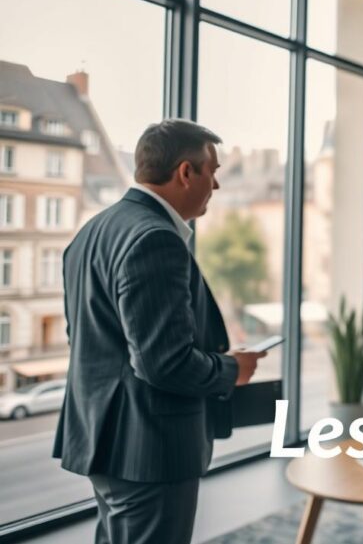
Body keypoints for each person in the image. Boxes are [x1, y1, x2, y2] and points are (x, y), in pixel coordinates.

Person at [54, 119, 267, 544]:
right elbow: (163, 363)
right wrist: (231, 369)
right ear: (186, 172)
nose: (217, 186)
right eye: (214, 171)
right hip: (149, 449)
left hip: (104, 436)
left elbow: (85, 336)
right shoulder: (156, 239)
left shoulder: (92, 231)